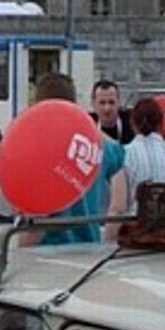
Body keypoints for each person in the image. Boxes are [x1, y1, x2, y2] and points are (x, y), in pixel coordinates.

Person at [23, 71, 127, 245]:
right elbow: (119, 206)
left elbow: (36, 215)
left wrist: (23, 247)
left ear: (38, 105)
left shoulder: (34, 147)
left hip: (45, 254)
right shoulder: (106, 146)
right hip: (89, 248)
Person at [90, 78, 133, 145]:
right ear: (93, 104)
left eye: (111, 102)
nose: (107, 108)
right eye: (102, 103)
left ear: (119, 102)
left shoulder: (132, 124)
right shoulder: (88, 124)